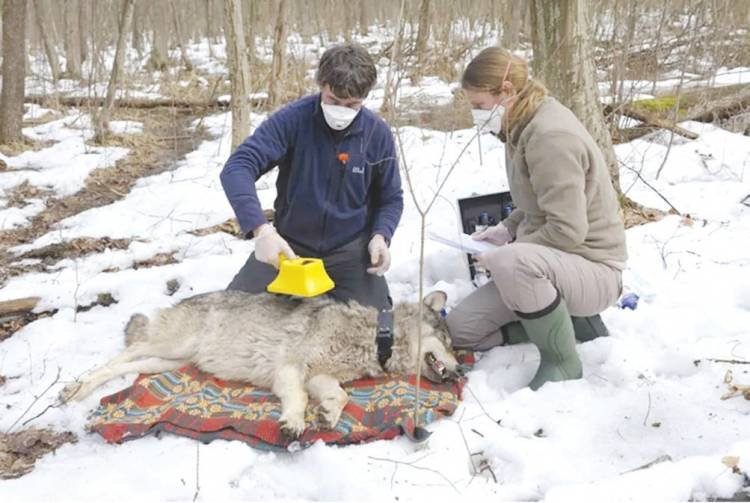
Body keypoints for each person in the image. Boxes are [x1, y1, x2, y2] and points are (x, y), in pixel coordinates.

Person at [446, 47, 627, 390]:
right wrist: (505, 229)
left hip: (593, 267)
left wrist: (506, 256)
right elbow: (539, 206)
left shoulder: (550, 136)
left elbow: (567, 229)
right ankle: (574, 325)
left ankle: (561, 361)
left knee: (514, 263)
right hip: (553, 263)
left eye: (480, 106)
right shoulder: (518, 124)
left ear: (507, 92)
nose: (475, 114)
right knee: (462, 330)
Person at [220, 44, 403, 310]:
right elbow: (238, 167)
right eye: (333, 101)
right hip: (290, 248)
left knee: (376, 329)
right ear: (321, 85)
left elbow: (391, 198)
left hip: (349, 251)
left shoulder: (377, 134)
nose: (341, 110)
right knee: (231, 314)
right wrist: (261, 230)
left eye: (352, 105)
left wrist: (381, 235)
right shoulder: (293, 120)